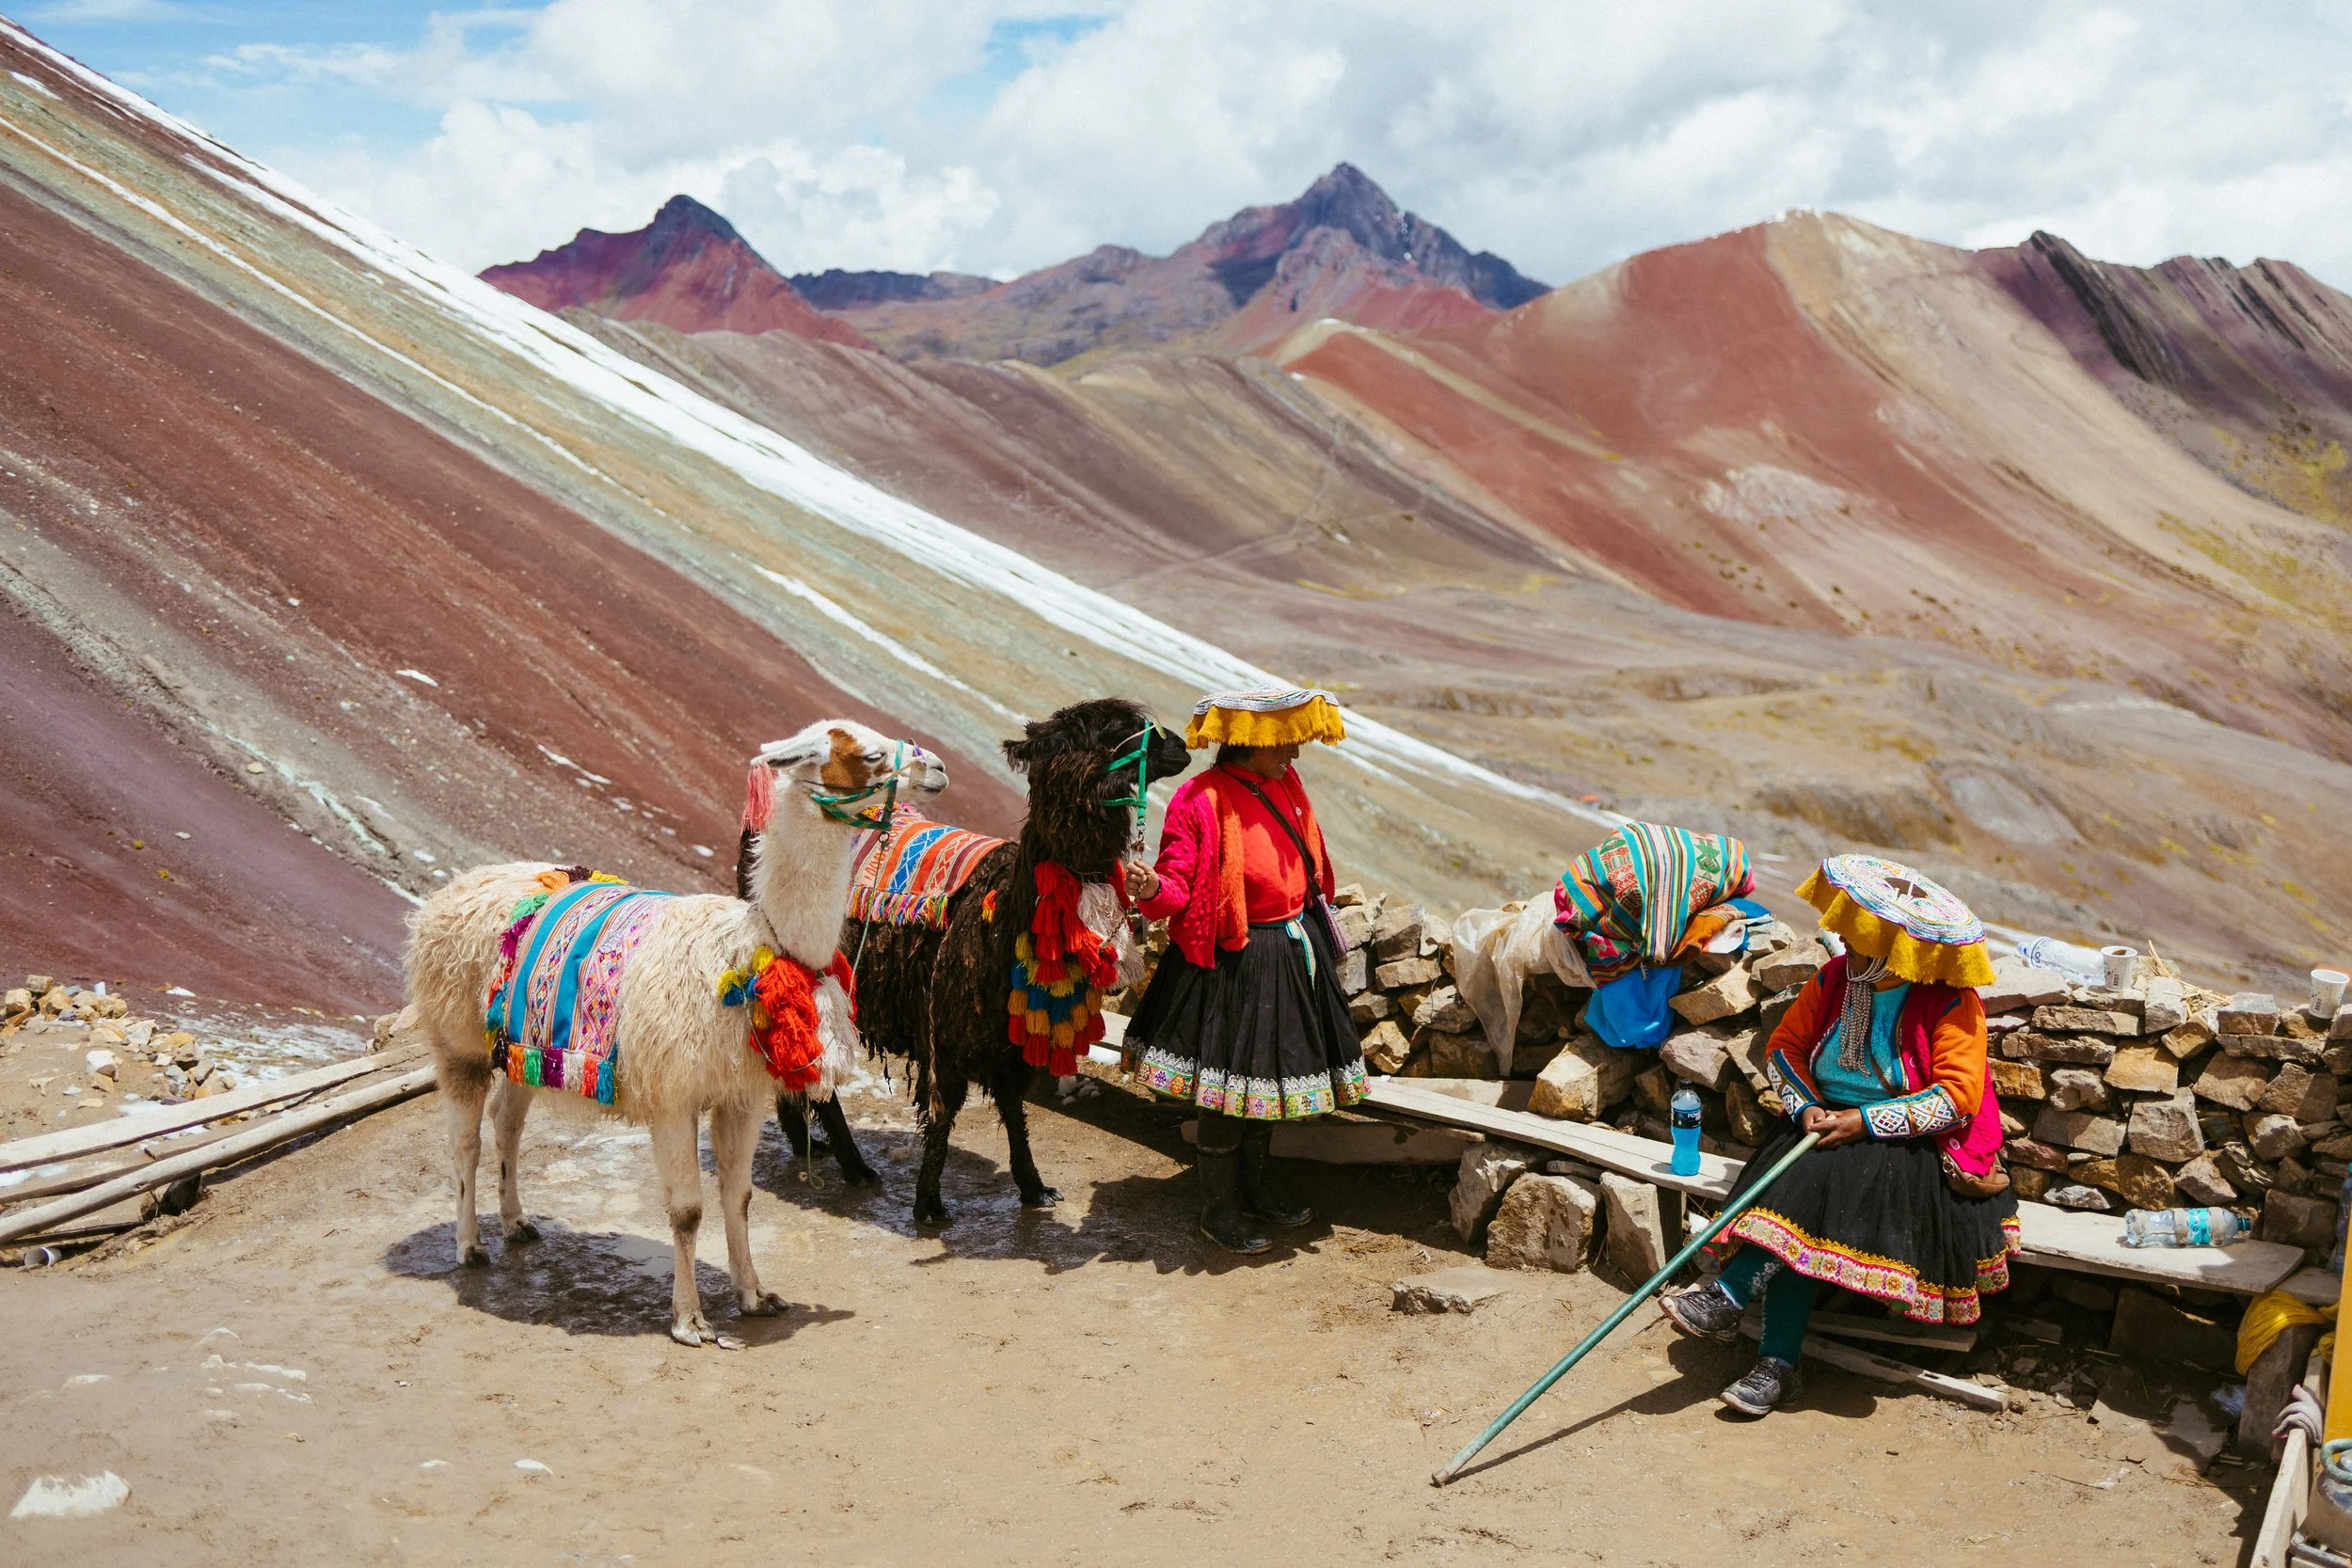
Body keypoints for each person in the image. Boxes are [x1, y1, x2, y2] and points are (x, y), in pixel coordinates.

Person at [1659, 854, 2017, 1416]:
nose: (1847, 945)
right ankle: (1776, 1368)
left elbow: (1957, 1097)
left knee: (1814, 1187)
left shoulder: (1950, 1001)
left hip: (1905, 1143)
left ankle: (1735, 1307)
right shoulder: (1835, 978)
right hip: (1821, 1121)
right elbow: (1786, 1049)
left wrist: (1866, 1122)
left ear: (1898, 947)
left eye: (1863, 939)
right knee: (1807, 1195)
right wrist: (1804, 1108)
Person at [1121, 686, 1367, 1254]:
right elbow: (1177, 882)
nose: (1296, 754)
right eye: (1284, 743)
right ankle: (1220, 1209)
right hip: (1232, 962)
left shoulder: (1285, 784)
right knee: (1227, 1096)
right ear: (1249, 742)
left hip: (1288, 951)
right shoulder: (1199, 799)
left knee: (1268, 1087)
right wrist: (1153, 887)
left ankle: (1256, 1193)